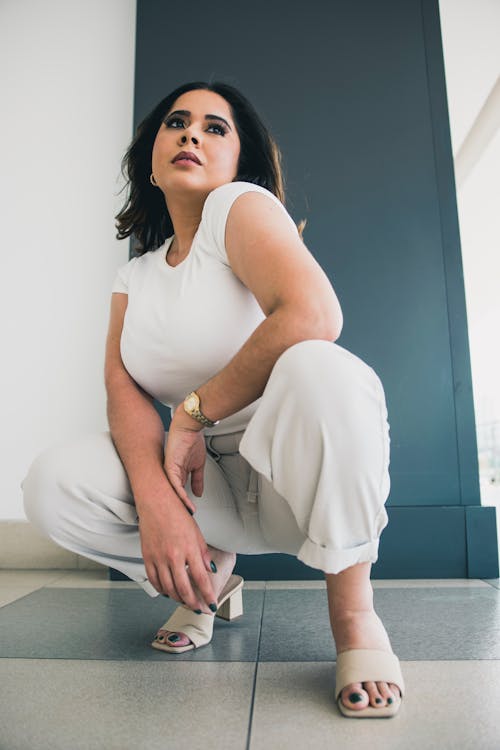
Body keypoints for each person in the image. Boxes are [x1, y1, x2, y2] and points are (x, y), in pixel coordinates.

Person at [22, 80, 404, 718]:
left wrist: (193, 414)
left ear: (238, 161)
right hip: (204, 488)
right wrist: (160, 505)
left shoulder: (240, 208)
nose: (191, 133)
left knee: (321, 368)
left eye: (214, 127)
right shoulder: (134, 275)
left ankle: (356, 616)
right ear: (152, 158)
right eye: (176, 122)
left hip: (290, 476)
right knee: (51, 483)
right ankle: (209, 584)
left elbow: (314, 312)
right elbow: (124, 393)